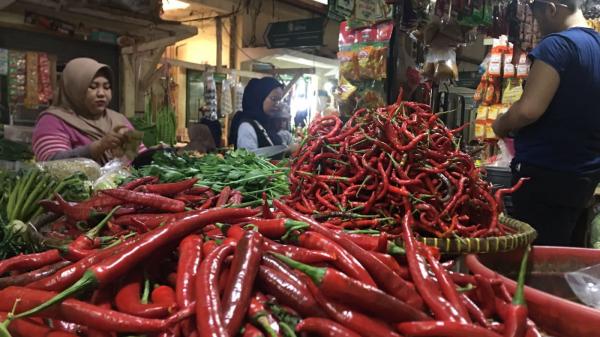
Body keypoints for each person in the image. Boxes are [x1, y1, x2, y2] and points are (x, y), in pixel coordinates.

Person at [492, 0, 600, 246]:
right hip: (583, 176)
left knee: (532, 259)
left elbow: (529, 109)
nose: (537, 24)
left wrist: (502, 124)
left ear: (552, 9)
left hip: (545, 177)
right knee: (561, 258)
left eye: (537, 16)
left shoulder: (558, 45)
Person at [32, 58, 144, 165]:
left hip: (125, 184)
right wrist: (99, 146)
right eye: (93, 87)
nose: (101, 93)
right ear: (74, 89)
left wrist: (152, 153)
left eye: (106, 87)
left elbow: (139, 159)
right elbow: (52, 163)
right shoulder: (52, 121)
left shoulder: (118, 119)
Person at [228, 77, 296, 156]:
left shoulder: (268, 123)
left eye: (279, 100)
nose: (277, 104)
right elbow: (248, 159)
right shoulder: (246, 126)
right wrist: (287, 150)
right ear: (259, 97)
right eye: (273, 99)